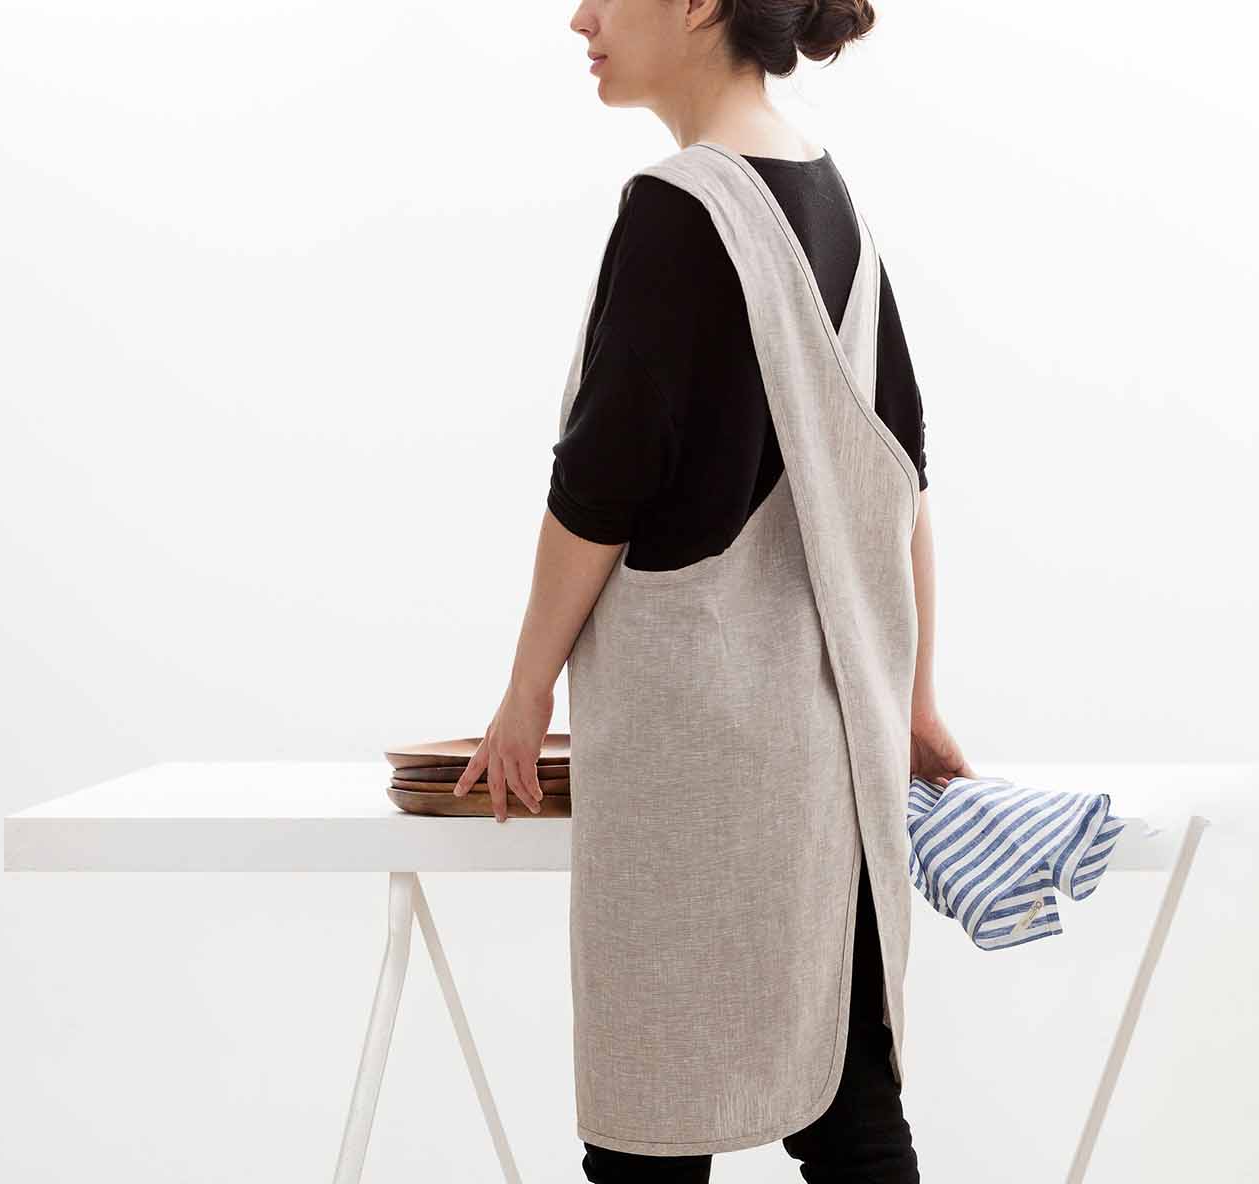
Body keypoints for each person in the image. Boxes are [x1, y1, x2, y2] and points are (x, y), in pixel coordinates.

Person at [453, 1, 974, 1179]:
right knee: (851, 1115)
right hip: (830, 750)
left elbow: (597, 491)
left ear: (697, 5)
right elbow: (898, 480)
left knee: (648, 1132)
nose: (579, 17)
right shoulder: (827, 193)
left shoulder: (680, 206)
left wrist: (525, 692)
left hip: (694, 757)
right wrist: (913, 702)